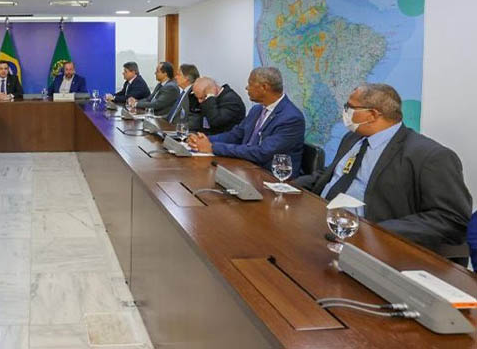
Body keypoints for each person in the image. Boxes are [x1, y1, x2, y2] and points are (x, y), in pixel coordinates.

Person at [295, 84, 472, 261]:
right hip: (320, 222)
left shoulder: (430, 156)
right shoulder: (353, 138)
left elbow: (451, 218)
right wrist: (288, 186)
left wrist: (375, 232)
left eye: (350, 107)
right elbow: (332, 174)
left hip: (368, 246)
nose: (345, 112)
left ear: (372, 115)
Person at [188, 67, 305, 174]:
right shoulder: (257, 110)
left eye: (250, 84)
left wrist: (213, 147)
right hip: (246, 169)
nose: (246, 88)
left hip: (272, 177)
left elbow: (262, 152)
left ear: (264, 87)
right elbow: (236, 135)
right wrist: (203, 140)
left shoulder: (291, 118)